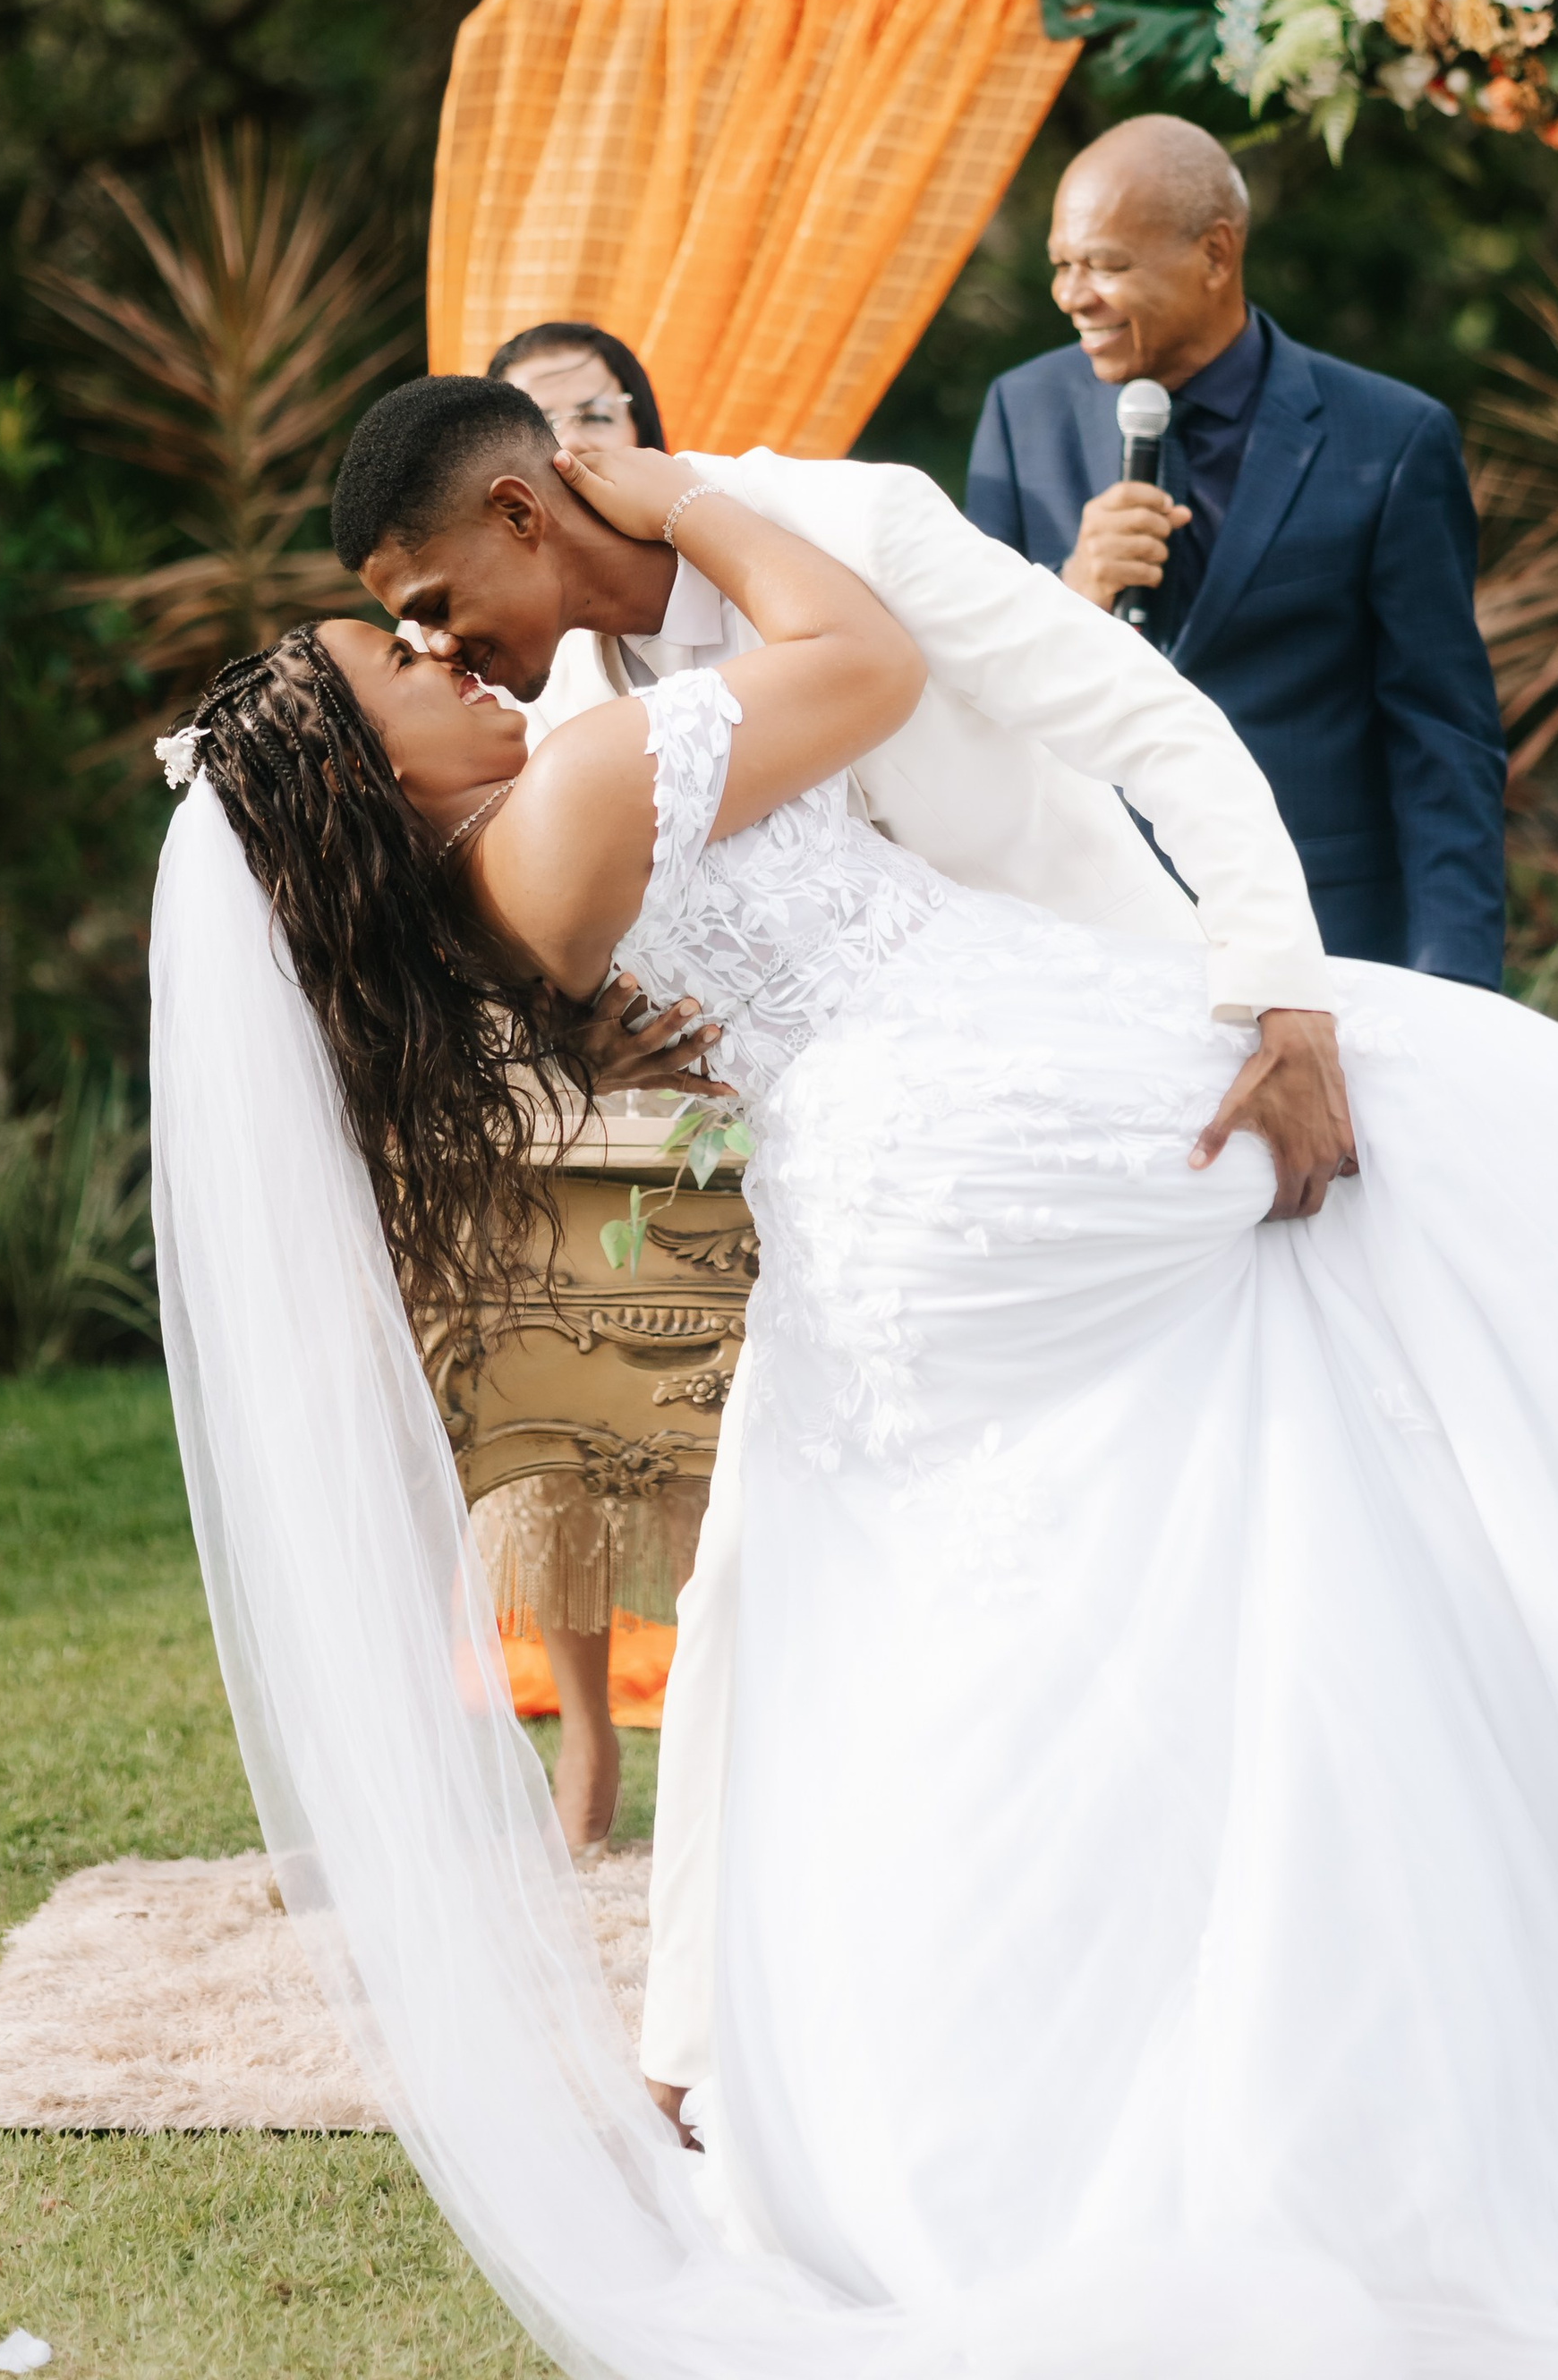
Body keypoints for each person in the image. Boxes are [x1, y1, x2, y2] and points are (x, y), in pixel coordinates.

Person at [149, 425, 1558, 2380]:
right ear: (358, 778)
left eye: (421, 627)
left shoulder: (490, 899)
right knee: (1454, 1162)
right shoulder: (580, 762)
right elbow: (864, 667)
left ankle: (1067, 2135)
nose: (442, 663)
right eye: (397, 669)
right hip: (984, 1115)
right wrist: (686, 503)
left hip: (882, 1195)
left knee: (1074, 1613)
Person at [328, 370, 1357, 2119]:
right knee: (790, 1568)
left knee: (1186, 1521)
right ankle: (721, 2048)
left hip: (1114, 1059)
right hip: (889, 1173)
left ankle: (1195, 1962)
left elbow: (1148, 731)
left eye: (433, 605)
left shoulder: (848, 524)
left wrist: (1276, 995)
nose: (442, 653)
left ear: (519, 511)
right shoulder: (559, 712)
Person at [966, 115, 1506, 986]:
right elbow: (964, 697)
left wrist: (1459, 987)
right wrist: (1070, 591)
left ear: (1216, 255)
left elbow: (1441, 740)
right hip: (1083, 934)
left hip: (1323, 933)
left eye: (1105, 264)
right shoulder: (1020, 413)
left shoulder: (1393, 438)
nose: (1072, 295)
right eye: (1061, 264)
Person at [463, 319, 694, 1854]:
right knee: (567, 1423)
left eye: (593, 411)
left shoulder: (693, 599)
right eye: (535, 424)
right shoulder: (490, 664)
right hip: (564, 1070)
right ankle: (592, 1743)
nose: (569, 443)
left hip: (718, 1051)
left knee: (705, 1412)